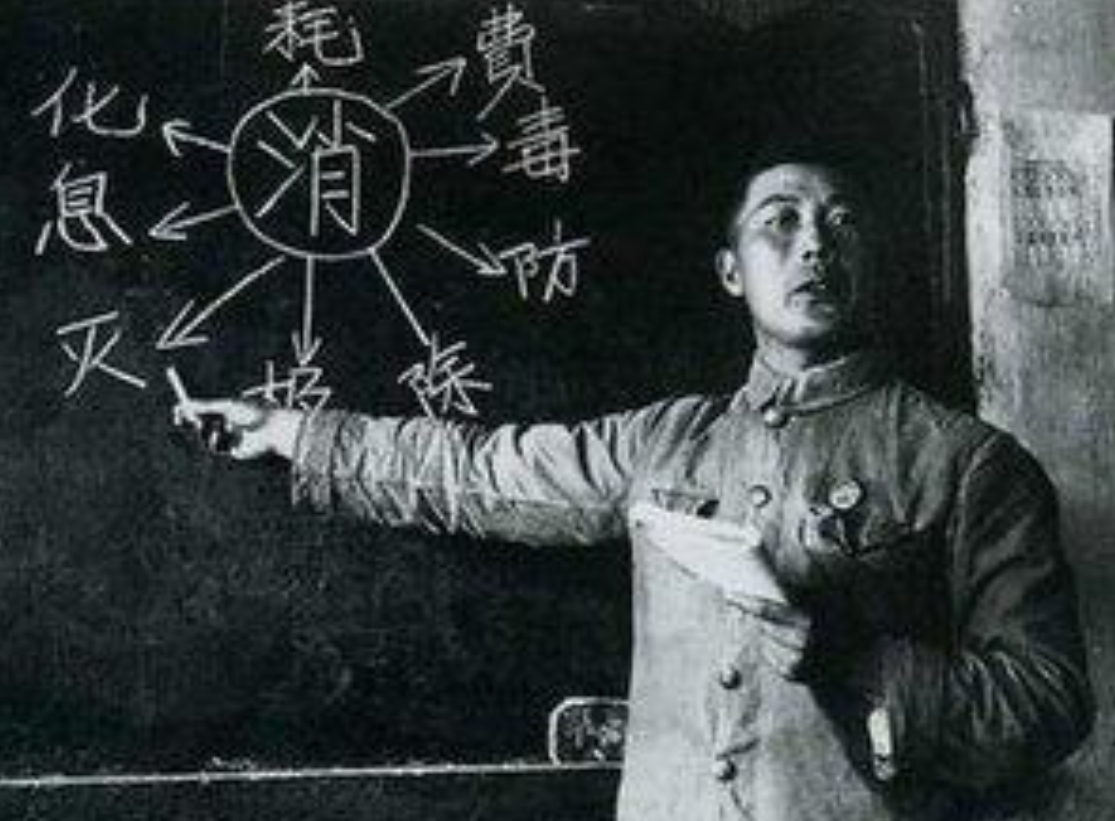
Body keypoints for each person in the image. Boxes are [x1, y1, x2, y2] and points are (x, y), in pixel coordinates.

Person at [174, 157, 1093, 821]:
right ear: (731, 272)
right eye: (779, 220)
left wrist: (850, 654)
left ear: (873, 261)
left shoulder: (967, 463)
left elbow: (1046, 704)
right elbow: (481, 471)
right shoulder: (665, 441)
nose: (814, 242)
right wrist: (288, 432)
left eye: (841, 221)